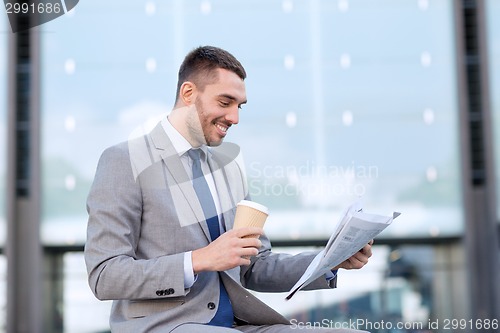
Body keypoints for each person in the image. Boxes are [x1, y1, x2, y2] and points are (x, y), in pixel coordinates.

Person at [84, 45, 372, 333]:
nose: (234, 118)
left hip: (236, 325)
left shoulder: (227, 168)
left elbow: (255, 266)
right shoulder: (124, 160)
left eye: (239, 106)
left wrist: (330, 261)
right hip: (165, 326)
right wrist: (199, 260)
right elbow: (105, 274)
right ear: (188, 94)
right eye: (225, 102)